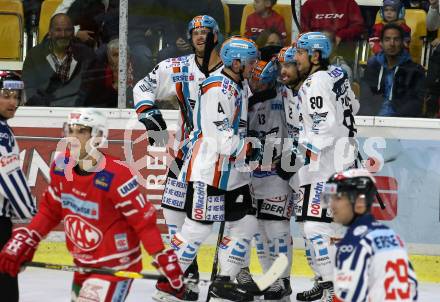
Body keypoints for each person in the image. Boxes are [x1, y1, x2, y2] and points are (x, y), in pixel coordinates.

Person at [0, 108, 184, 302]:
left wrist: (161, 254)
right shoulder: (61, 166)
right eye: (70, 130)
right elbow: (50, 210)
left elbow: (142, 222)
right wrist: (30, 236)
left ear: (98, 136)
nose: (72, 136)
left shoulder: (116, 174)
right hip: (82, 264)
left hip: (115, 265)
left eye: (81, 131)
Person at [132, 15, 223, 301]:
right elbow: (142, 88)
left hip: (218, 157)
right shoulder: (177, 67)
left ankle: (231, 276)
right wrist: (149, 114)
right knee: (172, 212)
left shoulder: (230, 71)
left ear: (216, 37)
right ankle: (189, 274)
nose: (200, 37)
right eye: (195, 33)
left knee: (216, 220)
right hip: (185, 152)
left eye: (207, 32)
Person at [172, 37, 259, 302]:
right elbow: (220, 137)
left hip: (232, 174)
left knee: (244, 223)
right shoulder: (217, 88)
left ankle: (224, 282)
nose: (254, 66)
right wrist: (251, 148)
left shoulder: (238, 83)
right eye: (251, 62)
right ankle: (169, 281)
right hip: (209, 171)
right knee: (196, 230)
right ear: (236, 62)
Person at [293, 32, 359, 302]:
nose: (296, 58)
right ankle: (328, 284)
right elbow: (354, 105)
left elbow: (324, 129)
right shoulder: (337, 74)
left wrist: (292, 156)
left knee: (315, 229)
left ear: (315, 55)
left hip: (326, 168)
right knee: (328, 230)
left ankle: (335, 289)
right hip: (343, 162)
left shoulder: (316, 82)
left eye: (300, 52)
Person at [239, 59, 293, 301]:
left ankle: (282, 281)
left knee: (276, 228)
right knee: (259, 230)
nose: (255, 84)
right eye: (253, 79)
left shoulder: (285, 96)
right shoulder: (244, 99)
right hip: (252, 175)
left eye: (260, 81)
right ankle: (270, 280)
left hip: (277, 176)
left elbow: (295, 130)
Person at [323, 168, 418, 302]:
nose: (332, 204)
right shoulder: (392, 236)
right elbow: (412, 287)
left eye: (338, 198)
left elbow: (348, 298)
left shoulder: (353, 243)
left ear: (360, 203)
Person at [0, 71, 37, 302]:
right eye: (6, 95)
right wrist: (33, 217)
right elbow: (9, 177)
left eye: (16, 96)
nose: (13, 102)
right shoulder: (2, 133)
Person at [22, 13, 96, 107]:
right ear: (50, 32)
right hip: (44, 113)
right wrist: (49, 110)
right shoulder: (35, 54)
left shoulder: (87, 54)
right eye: (58, 30)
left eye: (68, 30)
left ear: (73, 32)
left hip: (77, 114)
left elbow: (92, 90)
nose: (63, 34)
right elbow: (28, 88)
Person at [360, 23, 426, 117]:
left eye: (396, 39)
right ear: (381, 43)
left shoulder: (416, 71)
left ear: (403, 42)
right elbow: (365, 100)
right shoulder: (373, 68)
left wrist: (393, 121)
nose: (392, 43)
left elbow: (415, 104)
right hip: (374, 121)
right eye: (387, 39)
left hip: (401, 123)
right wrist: (373, 120)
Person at [300, 0, 365, 46]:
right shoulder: (309, 4)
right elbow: (304, 29)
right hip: (315, 46)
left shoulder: (349, 3)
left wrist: (341, 35)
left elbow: (358, 27)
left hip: (343, 46)